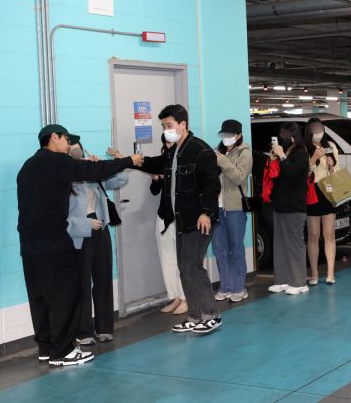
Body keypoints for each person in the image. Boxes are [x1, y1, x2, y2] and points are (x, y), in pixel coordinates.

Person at [17, 124, 142, 366]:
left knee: (40, 297)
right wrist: (128, 160)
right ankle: (62, 351)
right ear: (53, 138)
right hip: (53, 242)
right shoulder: (56, 161)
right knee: (65, 294)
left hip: (29, 244)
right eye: (66, 140)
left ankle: (46, 347)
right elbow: (93, 169)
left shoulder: (27, 167)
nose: (68, 145)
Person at [138, 104, 222, 335]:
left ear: (183, 124)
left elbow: (211, 185)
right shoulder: (174, 151)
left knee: (193, 266)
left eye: (169, 125)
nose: (166, 130)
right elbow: (157, 164)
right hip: (180, 221)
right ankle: (195, 316)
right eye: (164, 126)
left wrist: (206, 212)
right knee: (184, 268)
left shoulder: (200, 150)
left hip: (199, 219)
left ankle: (210, 315)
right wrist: (133, 160)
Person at [67, 137, 128, 346]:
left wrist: (108, 163)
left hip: (100, 229)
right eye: (72, 153)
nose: (77, 156)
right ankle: (83, 331)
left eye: (79, 152)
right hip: (79, 234)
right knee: (82, 283)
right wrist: (84, 224)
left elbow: (120, 181)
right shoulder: (64, 179)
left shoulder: (93, 175)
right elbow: (58, 217)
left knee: (103, 279)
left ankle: (104, 328)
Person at [267, 122, 310, 294]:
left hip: (294, 206)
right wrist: (273, 159)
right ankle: (282, 280)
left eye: (284, 135)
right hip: (280, 204)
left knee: (294, 244)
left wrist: (282, 156)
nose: (281, 139)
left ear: (293, 137)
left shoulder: (301, 154)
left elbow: (292, 174)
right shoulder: (284, 153)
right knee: (280, 244)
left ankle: (299, 282)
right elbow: (277, 175)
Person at [212, 119, 252, 302]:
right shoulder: (217, 152)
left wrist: (223, 162)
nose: (227, 138)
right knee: (220, 248)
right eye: (224, 135)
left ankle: (238, 287)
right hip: (217, 208)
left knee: (236, 248)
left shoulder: (244, 153)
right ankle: (225, 286)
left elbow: (239, 177)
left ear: (238, 135)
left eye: (230, 135)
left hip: (235, 208)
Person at [149, 137, 187, 315]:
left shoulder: (186, 159)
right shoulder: (162, 161)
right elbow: (154, 191)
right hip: (163, 215)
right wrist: (156, 178)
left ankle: (186, 297)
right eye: (167, 143)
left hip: (181, 216)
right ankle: (175, 297)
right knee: (167, 258)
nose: (169, 146)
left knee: (183, 259)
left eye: (172, 143)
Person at [304, 118, 339, 285]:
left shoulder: (330, 146)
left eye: (320, 129)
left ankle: (330, 273)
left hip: (328, 190)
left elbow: (337, 172)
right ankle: (314, 273)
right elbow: (303, 173)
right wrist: (313, 158)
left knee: (329, 235)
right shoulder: (304, 148)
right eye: (315, 129)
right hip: (311, 191)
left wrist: (332, 166)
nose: (318, 132)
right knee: (313, 235)